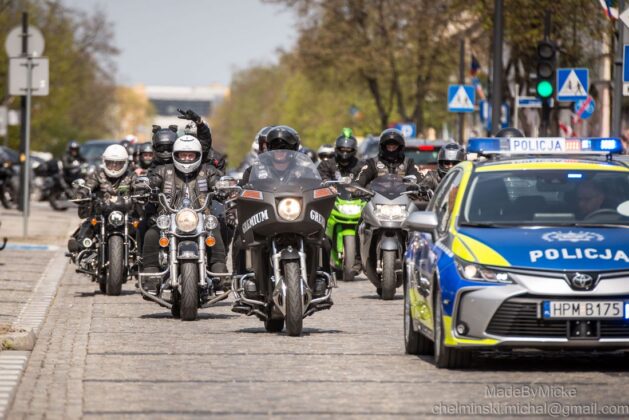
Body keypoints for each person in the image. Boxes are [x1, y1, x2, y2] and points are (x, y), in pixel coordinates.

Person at [140, 135, 227, 275]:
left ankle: (219, 272)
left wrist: (223, 188)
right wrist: (143, 187)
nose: (186, 159)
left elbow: (217, 182)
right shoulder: (163, 170)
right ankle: (151, 274)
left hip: (201, 218)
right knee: (151, 234)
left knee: (216, 231)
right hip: (169, 218)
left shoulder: (207, 171)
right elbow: (151, 182)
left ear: (198, 156)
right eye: (183, 155)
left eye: (190, 155)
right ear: (176, 155)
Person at [67, 144, 135, 253]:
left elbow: (139, 187)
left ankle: (139, 254)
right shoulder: (98, 175)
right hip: (101, 213)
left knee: (140, 228)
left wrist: (142, 192)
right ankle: (81, 252)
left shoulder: (131, 176)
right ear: (104, 162)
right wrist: (81, 193)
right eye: (110, 163)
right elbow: (88, 186)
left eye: (118, 163)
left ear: (125, 163)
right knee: (88, 225)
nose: (114, 166)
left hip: (125, 215)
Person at [354, 128, 421, 187]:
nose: (391, 150)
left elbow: (419, 178)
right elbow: (361, 178)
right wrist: (356, 187)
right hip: (376, 197)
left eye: (394, 147)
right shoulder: (372, 163)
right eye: (389, 147)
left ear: (400, 147)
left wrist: (422, 186)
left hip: (404, 197)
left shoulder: (408, 163)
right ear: (382, 147)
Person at [177, 108, 227, 172]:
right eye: (189, 136)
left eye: (196, 137)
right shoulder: (179, 154)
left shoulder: (216, 159)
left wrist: (199, 122)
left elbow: (220, 177)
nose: (192, 140)